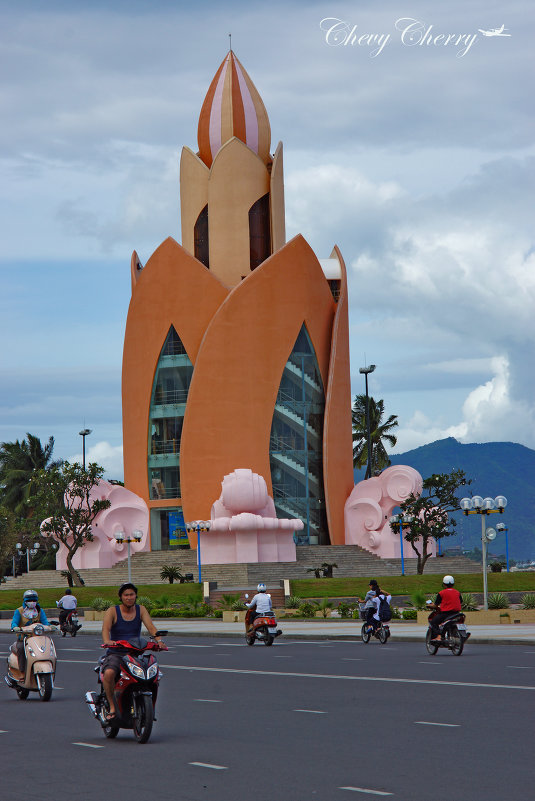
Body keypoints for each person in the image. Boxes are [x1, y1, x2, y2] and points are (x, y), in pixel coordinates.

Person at [100, 582, 164, 720]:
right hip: (116, 653)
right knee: (109, 673)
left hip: (135, 653)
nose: (129, 597)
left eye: (132, 594)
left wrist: (158, 641)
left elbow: (151, 627)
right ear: (121, 597)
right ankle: (112, 706)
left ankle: (148, 708)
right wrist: (107, 641)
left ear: (136, 596)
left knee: (153, 674)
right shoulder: (112, 611)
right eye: (126, 595)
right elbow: (106, 629)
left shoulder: (141, 609)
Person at [9, 590, 50, 675]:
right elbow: (14, 622)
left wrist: (49, 626)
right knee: (21, 649)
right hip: (24, 639)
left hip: (38, 638)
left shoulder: (39, 611)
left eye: (34, 600)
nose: (32, 602)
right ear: (25, 601)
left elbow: (45, 622)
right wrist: (15, 627)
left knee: (48, 648)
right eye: (29, 600)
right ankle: (22, 672)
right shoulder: (19, 611)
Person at [428, 575, 463, 642]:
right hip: (457, 613)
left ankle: (439, 636)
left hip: (445, 614)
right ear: (453, 584)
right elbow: (460, 601)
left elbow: (436, 605)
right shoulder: (457, 592)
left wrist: (430, 606)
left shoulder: (441, 593)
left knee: (433, 622)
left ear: (444, 584)